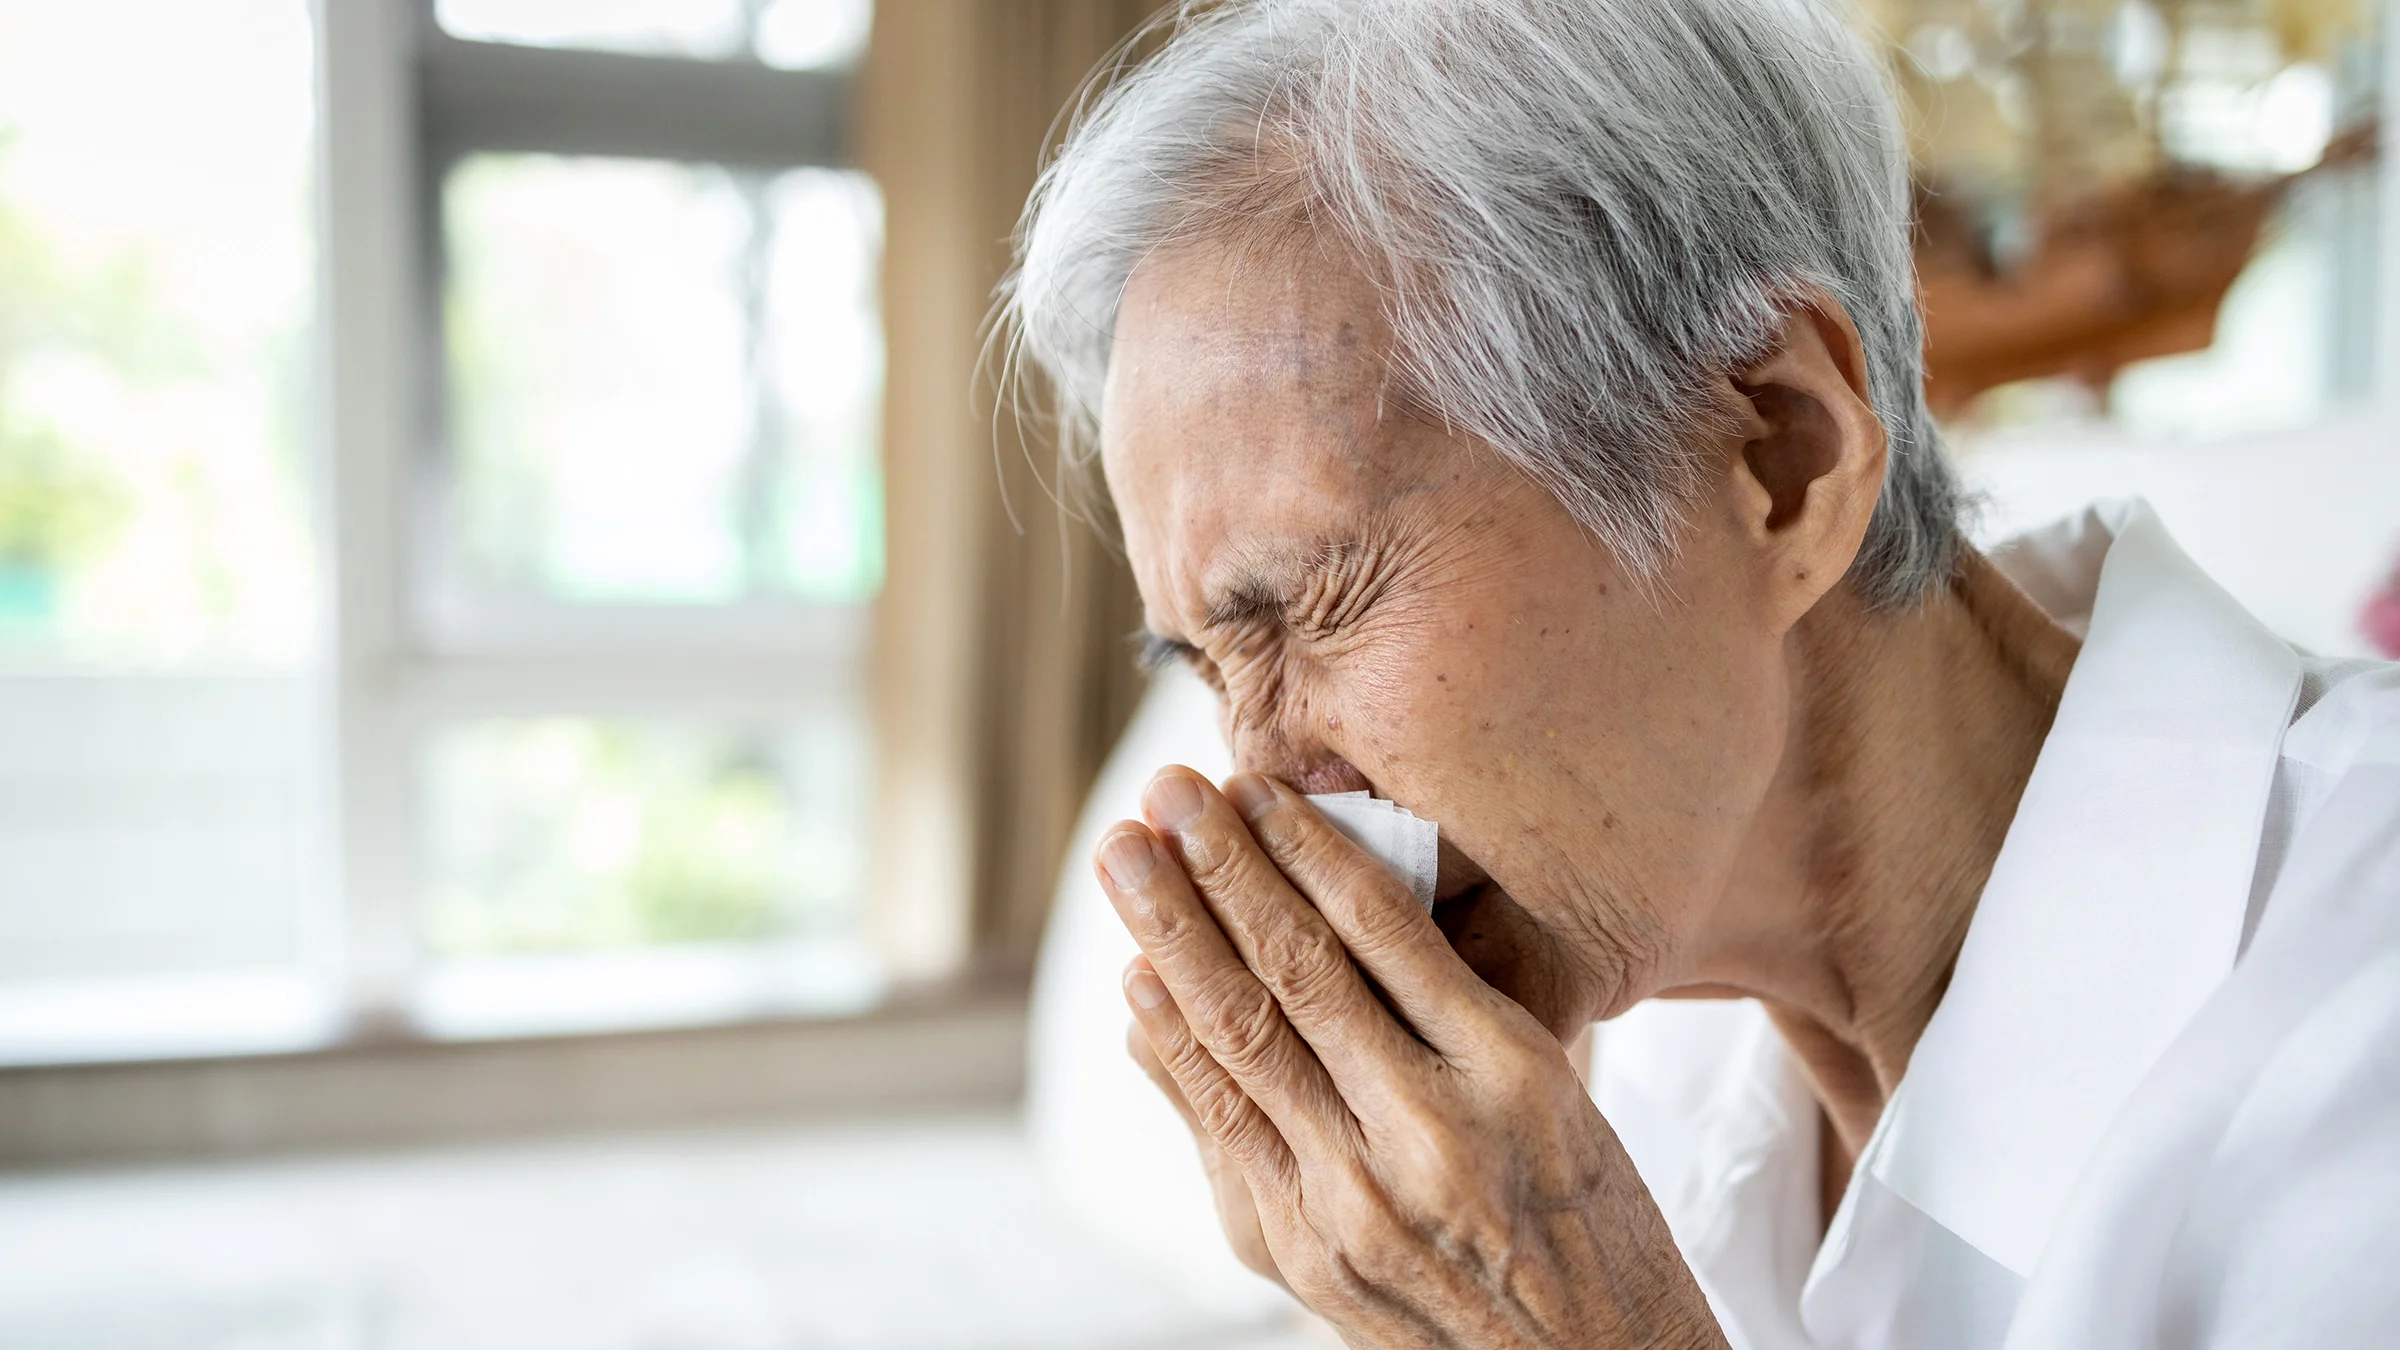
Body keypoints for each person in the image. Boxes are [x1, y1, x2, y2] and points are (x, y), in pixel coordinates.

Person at [995, 0, 2400, 1345]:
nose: (1261, 783)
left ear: (1780, 459)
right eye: (1211, 661)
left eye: (1311, 607)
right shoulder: (1641, 1009)